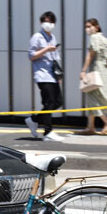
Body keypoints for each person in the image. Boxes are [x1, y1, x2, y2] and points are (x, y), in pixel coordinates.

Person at [24, 11, 64, 142]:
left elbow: (56, 57)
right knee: (49, 102)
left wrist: (59, 76)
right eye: (47, 21)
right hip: (42, 75)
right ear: (42, 22)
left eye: (52, 22)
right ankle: (48, 131)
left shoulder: (52, 37)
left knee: (58, 102)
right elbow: (31, 56)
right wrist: (46, 49)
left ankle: (33, 120)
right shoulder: (37, 37)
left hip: (53, 75)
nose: (49, 24)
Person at [78, 18, 107, 135]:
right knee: (95, 97)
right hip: (104, 71)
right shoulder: (105, 40)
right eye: (86, 27)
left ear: (97, 27)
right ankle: (90, 126)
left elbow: (90, 56)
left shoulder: (94, 38)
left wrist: (83, 70)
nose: (87, 29)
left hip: (96, 70)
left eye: (89, 26)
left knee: (92, 98)